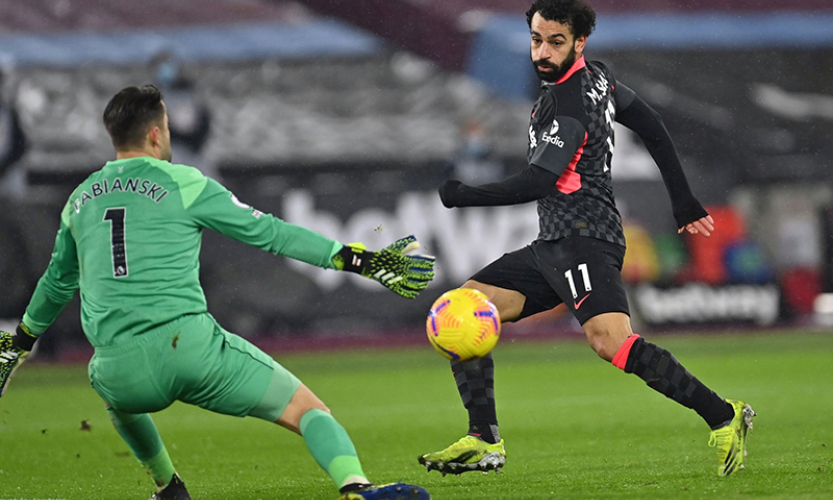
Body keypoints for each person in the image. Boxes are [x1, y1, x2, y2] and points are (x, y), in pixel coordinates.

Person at [0, 85, 434, 500]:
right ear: (156, 132)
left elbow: (57, 283)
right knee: (309, 411)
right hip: (188, 349)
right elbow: (271, 234)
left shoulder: (79, 200)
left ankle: (168, 486)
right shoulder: (184, 183)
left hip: (117, 369)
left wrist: (20, 343)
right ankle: (354, 486)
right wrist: (362, 261)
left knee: (118, 395)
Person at [418, 0, 755, 479]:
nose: (543, 51)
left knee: (611, 343)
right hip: (554, 242)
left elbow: (538, 181)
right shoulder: (599, 79)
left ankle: (724, 415)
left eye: (556, 41)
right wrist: (682, 199)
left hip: (586, 240)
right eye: (537, 39)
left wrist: (462, 194)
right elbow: (653, 126)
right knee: (465, 304)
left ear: (579, 42)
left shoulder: (571, 100)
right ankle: (483, 439)